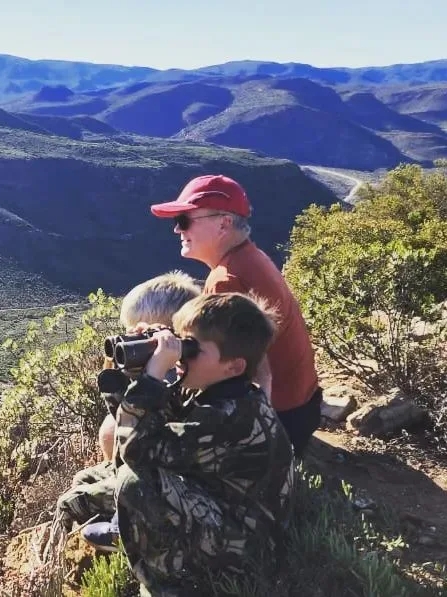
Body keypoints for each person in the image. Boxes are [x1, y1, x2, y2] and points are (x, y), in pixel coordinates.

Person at [109, 292, 295, 594]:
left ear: (233, 366)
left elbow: (136, 450)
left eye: (192, 348)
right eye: (181, 341)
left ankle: (163, 583)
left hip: (246, 549)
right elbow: (152, 425)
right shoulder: (221, 390)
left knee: (134, 483)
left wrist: (154, 378)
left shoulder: (230, 417)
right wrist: (138, 370)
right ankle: (123, 525)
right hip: (221, 503)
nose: (181, 355)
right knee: (86, 486)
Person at [149, 174, 322, 457]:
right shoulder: (251, 258)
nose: (177, 230)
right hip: (302, 407)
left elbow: (251, 370)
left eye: (185, 220)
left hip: (282, 419)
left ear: (224, 223)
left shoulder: (226, 280)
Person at [55, 271, 201, 548]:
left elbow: (137, 440)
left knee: (80, 497)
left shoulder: (184, 376)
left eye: (145, 335)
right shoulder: (168, 370)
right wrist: (126, 369)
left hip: (169, 475)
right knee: (82, 478)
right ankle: (116, 514)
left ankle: (128, 528)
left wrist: (154, 373)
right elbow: (120, 411)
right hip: (153, 463)